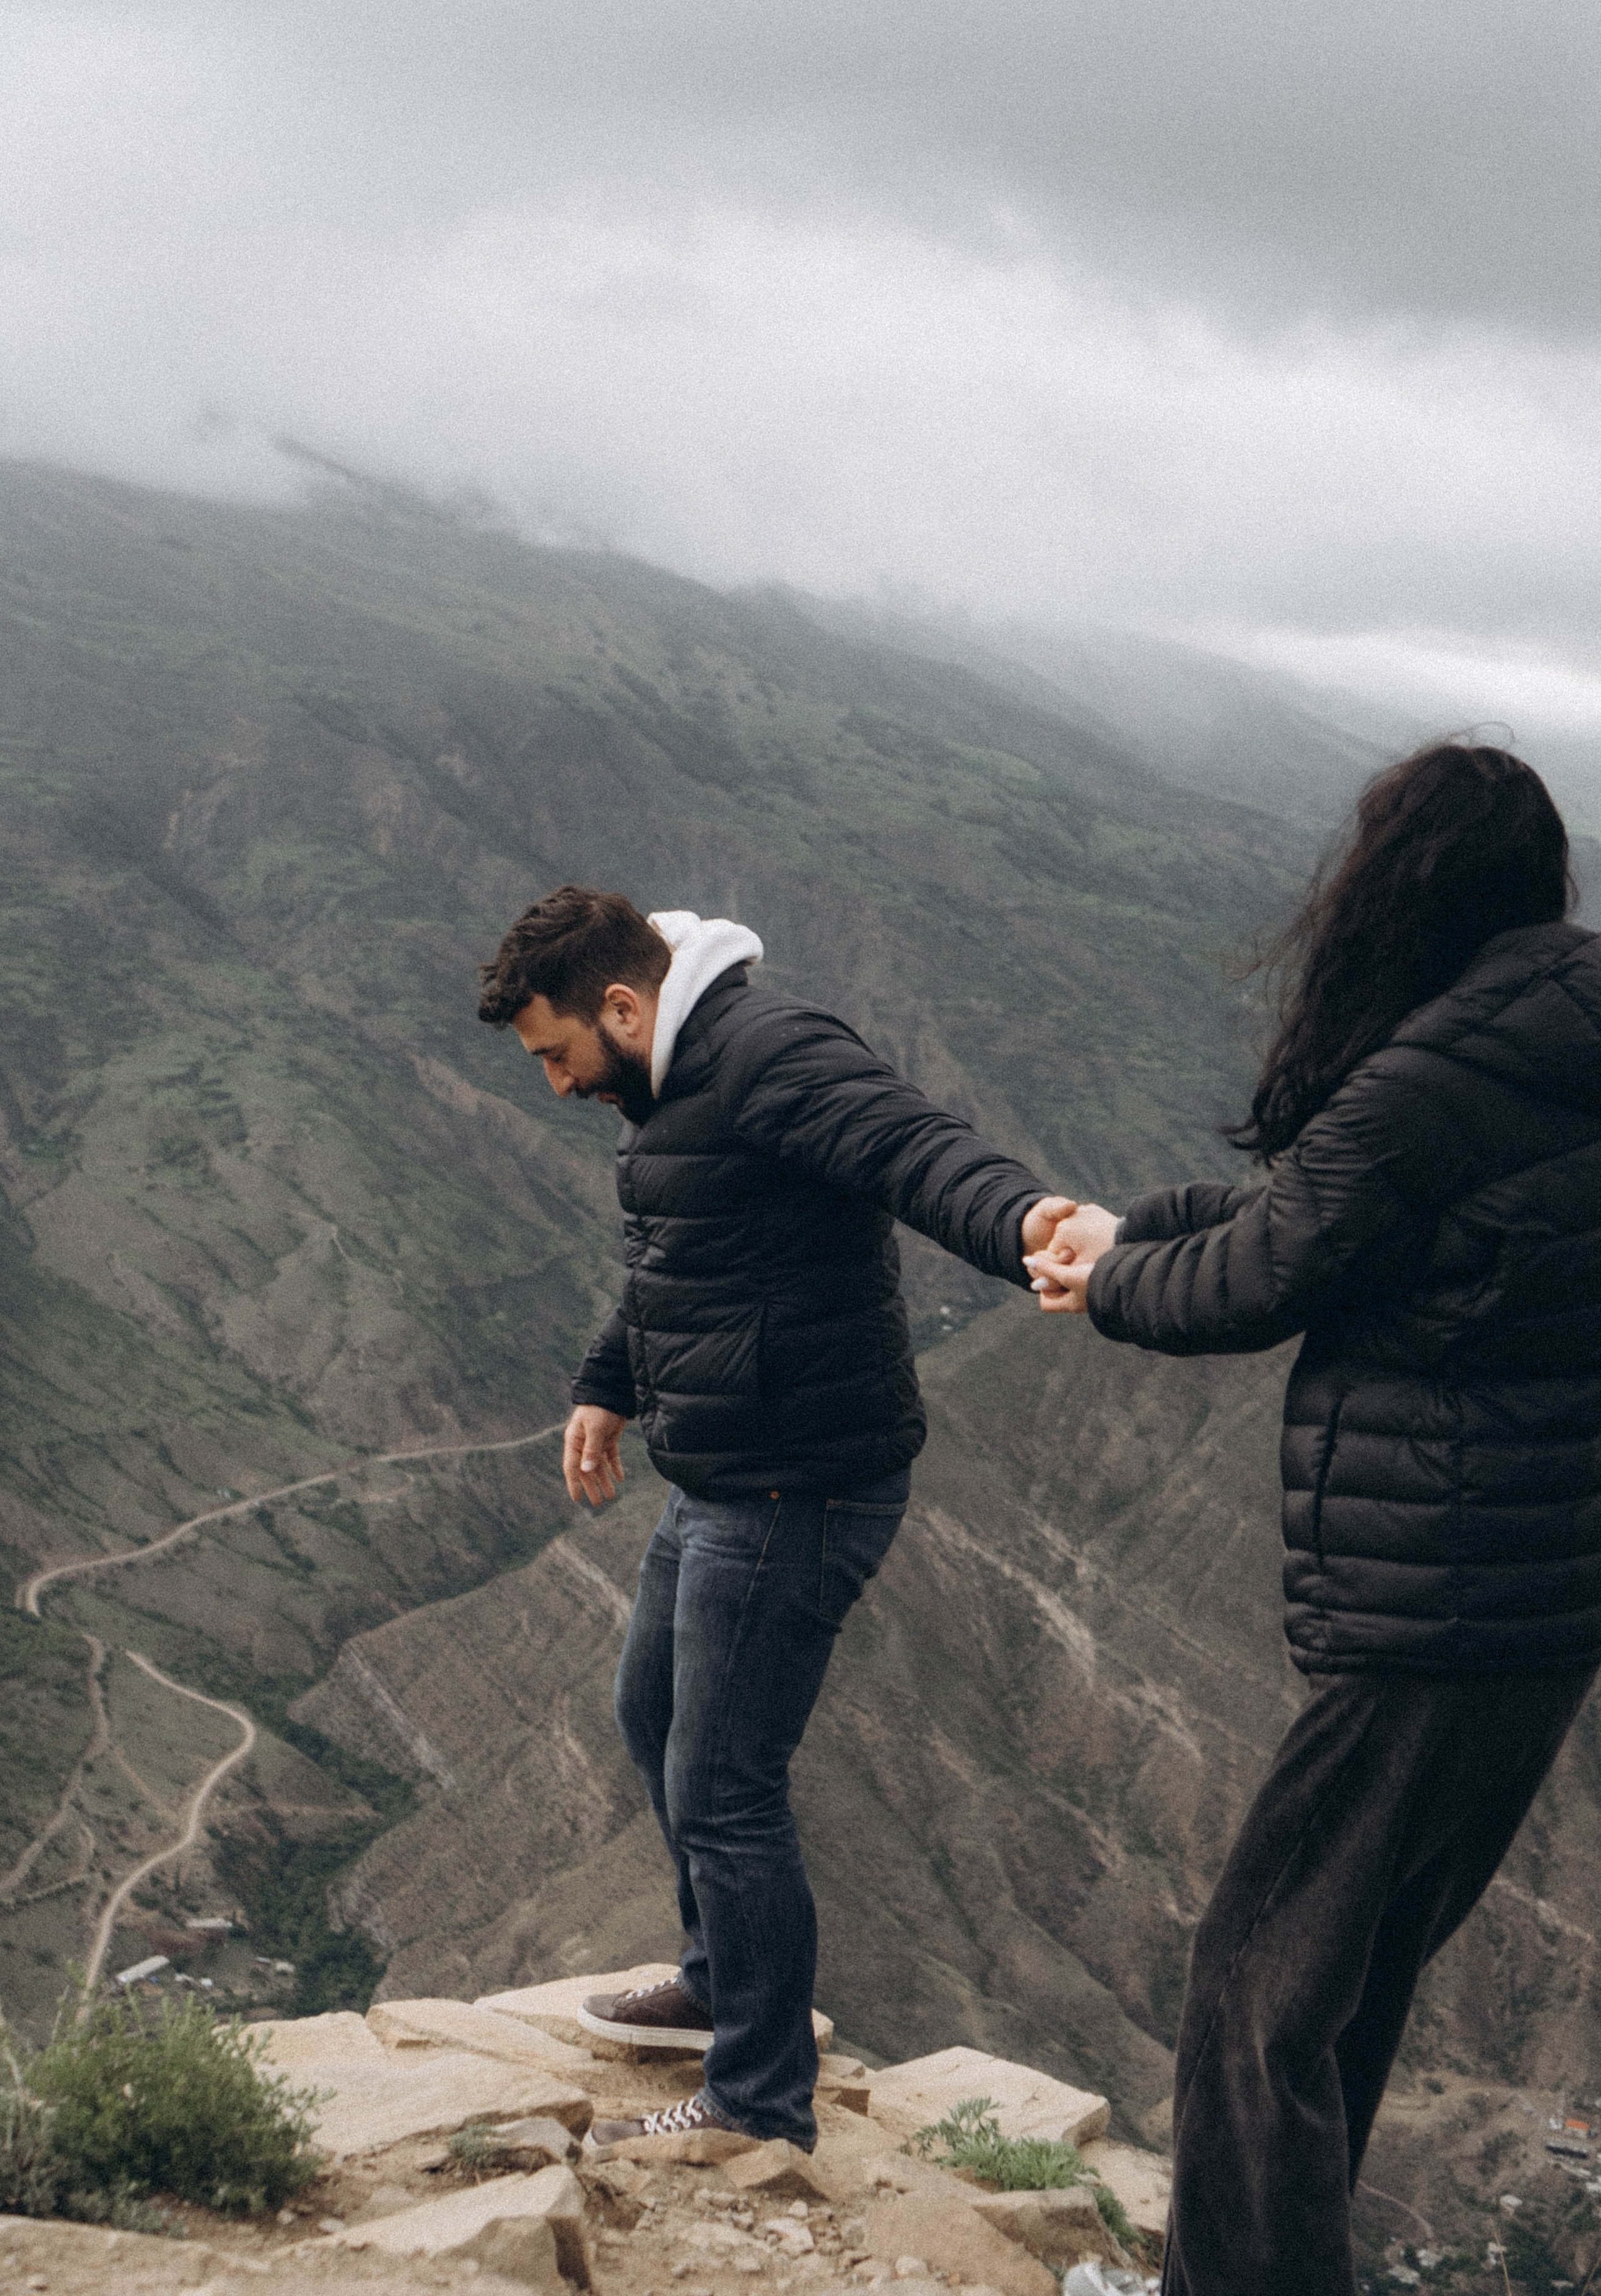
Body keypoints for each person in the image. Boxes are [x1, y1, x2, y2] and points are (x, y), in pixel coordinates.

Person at [1028, 743, 1601, 2296]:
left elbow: (1262, 1277)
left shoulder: (1425, 1082)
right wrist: (1140, 1226)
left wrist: (1105, 1283)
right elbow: (1341, 1222)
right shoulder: (1553, 1045)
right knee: (1342, 1984)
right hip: (1545, 1609)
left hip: (1430, 1604)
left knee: (1254, 1989)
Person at [477, 887, 1071, 2153]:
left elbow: (920, 1152)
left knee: (723, 1786)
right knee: (651, 1717)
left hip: (797, 1485)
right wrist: (607, 1382)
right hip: (726, 1473)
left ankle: (754, 2105)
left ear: (622, 1006)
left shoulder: (769, 1055)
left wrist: (1031, 1224)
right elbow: (684, 1261)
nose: (556, 1083)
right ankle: (717, 1985)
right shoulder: (676, 1086)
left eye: (557, 1054)